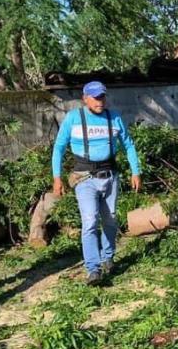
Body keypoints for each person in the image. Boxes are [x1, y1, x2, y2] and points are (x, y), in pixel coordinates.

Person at [52, 81, 141, 285]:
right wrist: (57, 178)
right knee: (90, 222)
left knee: (110, 219)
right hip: (85, 179)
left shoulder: (114, 117)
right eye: (95, 97)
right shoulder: (74, 118)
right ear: (85, 98)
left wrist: (136, 172)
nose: (100, 101)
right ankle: (93, 269)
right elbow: (58, 148)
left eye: (102, 96)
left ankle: (107, 257)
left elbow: (129, 145)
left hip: (110, 177)